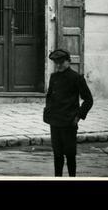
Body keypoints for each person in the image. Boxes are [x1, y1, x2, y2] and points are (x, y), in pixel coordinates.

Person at [44, 48, 93, 177]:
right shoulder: (54, 77)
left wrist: (78, 116)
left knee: (70, 155)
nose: (58, 65)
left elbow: (88, 100)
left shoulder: (76, 78)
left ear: (68, 61)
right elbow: (49, 96)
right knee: (57, 155)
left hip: (69, 123)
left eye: (61, 62)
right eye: (56, 63)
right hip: (55, 123)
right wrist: (48, 112)